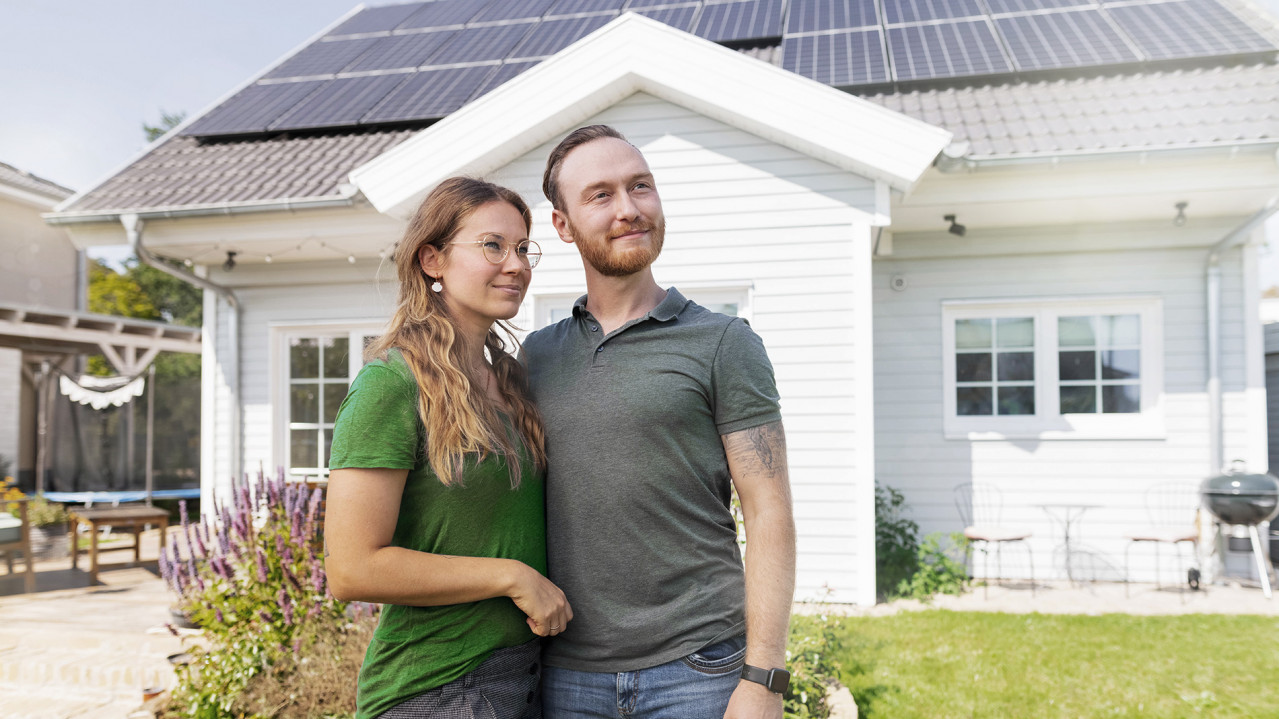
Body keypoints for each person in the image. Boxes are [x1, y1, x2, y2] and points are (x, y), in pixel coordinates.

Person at [522, 125, 797, 719]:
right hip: (566, 676)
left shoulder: (724, 342)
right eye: (600, 195)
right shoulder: (535, 358)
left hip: (701, 668)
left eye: (640, 186)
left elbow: (769, 508)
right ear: (563, 226)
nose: (629, 209)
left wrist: (765, 676)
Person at [324, 177, 572, 719]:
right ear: (432, 260)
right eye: (492, 246)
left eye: (523, 248)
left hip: (523, 673)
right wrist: (512, 576)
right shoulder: (392, 384)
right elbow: (350, 568)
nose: (516, 264)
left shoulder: (509, 380)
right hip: (437, 689)